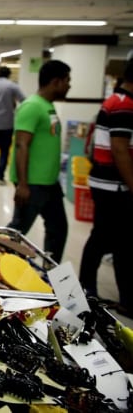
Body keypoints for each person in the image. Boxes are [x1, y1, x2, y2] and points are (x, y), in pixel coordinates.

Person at [80, 59, 133, 314]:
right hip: (114, 185)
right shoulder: (124, 105)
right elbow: (120, 150)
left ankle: (116, 295)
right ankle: (88, 288)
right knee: (107, 238)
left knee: (112, 239)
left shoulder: (116, 101)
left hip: (108, 183)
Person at [7, 60, 71, 264]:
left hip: (50, 183)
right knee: (16, 233)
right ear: (55, 82)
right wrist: (23, 184)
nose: (69, 85)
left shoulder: (47, 106)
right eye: (67, 81)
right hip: (33, 184)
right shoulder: (32, 107)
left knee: (58, 229)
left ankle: (52, 274)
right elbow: (21, 145)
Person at [0, 66, 25, 184]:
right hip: (7, 124)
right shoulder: (13, 86)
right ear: (9, 75)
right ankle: (0, 175)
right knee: (4, 150)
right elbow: (24, 100)